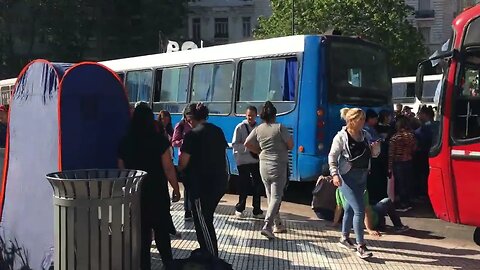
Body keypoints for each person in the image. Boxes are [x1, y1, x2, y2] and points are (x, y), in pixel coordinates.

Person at [118, 102, 181, 270]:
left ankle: (144, 266)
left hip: (136, 193)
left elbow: (122, 170)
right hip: (158, 192)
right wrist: (175, 188)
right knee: (161, 231)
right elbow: (168, 167)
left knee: (142, 235)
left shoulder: (125, 142)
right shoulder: (159, 140)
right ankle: (168, 264)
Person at [178, 103, 228, 257]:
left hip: (201, 186)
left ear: (191, 118)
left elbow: (183, 163)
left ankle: (211, 256)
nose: (187, 122)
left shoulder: (192, 135)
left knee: (203, 221)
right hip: (219, 182)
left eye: (188, 119)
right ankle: (206, 251)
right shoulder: (217, 131)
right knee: (206, 217)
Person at [328, 108, 379, 259]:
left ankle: (344, 237)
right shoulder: (341, 137)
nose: (363, 122)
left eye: (364, 119)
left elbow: (374, 154)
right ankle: (361, 246)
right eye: (360, 119)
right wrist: (334, 174)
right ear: (351, 121)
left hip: (362, 176)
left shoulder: (365, 135)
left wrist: (376, 148)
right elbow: (332, 156)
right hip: (346, 177)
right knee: (359, 209)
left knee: (349, 208)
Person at [245, 101, 293, 240]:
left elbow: (247, 143)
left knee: (270, 196)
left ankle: (278, 224)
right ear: (275, 115)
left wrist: (259, 151)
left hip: (263, 164)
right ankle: (267, 225)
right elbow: (290, 145)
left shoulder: (258, 129)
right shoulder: (280, 128)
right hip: (278, 164)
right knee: (277, 197)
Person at [232, 106, 264, 219]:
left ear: (256, 115)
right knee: (243, 185)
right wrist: (249, 148)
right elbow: (235, 145)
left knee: (257, 185)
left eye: (253, 115)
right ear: (246, 115)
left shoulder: (259, 128)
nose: (250, 117)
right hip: (243, 161)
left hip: (255, 161)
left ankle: (257, 210)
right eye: (249, 115)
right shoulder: (240, 127)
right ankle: (240, 208)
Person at [333, 189, 410, 235]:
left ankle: (382, 223)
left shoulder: (339, 190)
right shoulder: (362, 190)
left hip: (354, 224)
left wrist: (335, 223)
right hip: (372, 219)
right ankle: (399, 226)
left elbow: (339, 208)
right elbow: (367, 211)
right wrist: (369, 229)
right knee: (387, 201)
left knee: (374, 206)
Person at [388, 116, 416, 212]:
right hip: (409, 160)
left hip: (398, 162)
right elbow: (414, 148)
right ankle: (408, 202)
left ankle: (403, 204)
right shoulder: (411, 136)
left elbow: (391, 153)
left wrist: (389, 166)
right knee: (407, 182)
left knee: (400, 183)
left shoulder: (395, 137)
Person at [172, 107, 193, 221]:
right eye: (189, 115)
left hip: (196, 159)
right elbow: (174, 142)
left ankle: (193, 209)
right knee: (188, 186)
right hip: (184, 158)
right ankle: (188, 211)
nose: (191, 117)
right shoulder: (180, 126)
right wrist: (184, 141)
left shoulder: (196, 125)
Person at [364, 110, 386, 204]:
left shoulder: (371, 128)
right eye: (375, 119)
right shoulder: (366, 129)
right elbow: (371, 141)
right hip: (372, 157)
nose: (376, 120)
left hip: (375, 156)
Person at [414, 105, 434, 199]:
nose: (418, 116)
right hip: (429, 153)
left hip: (424, 154)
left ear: (425, 115)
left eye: (420, 114)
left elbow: (421, 136)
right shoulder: (436, 125)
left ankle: (423, 193)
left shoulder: (424, 129)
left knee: (423, 174)